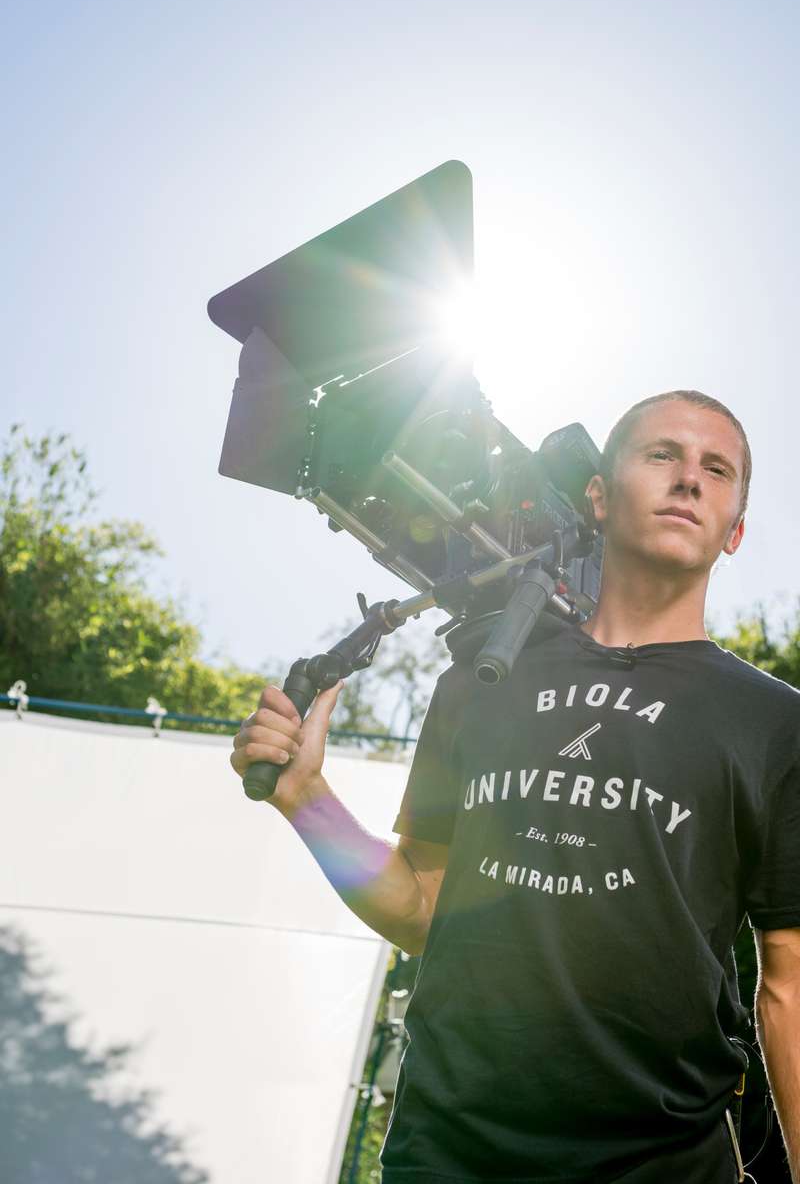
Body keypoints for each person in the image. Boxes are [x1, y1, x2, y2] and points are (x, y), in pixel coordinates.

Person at [230, 391, 800, 1184]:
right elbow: (421, 909)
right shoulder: (478, 680)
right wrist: (306, 797)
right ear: (598, 497)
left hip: (661, 1166)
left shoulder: (776, 725)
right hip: (448, 1156)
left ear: (736, 528)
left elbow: (790, 992)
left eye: (717, 469)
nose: (689, 480)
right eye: (661, 454)